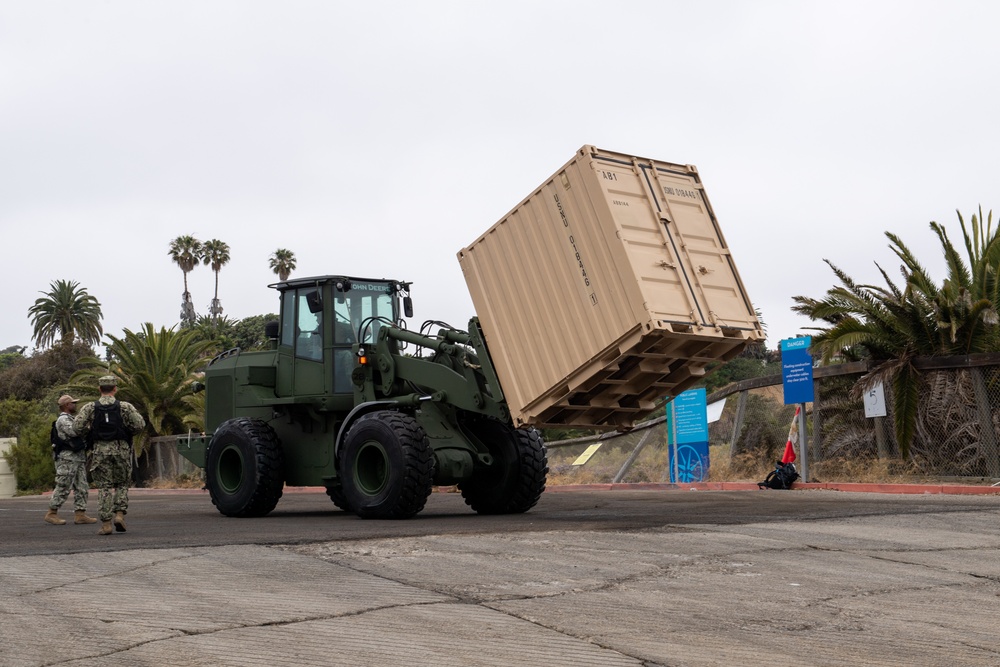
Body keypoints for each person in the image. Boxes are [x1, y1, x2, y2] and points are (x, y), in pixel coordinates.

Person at [73, 375, 145, 535]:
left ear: (99, 389)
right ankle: (119, 515)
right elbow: (140, 425)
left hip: (100, 450)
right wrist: (128, 433)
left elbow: (77, 427)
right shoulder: (125, 407)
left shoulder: (90, 407)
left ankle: (106, 524)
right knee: (122, 484)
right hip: (121, 449)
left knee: (104, 487)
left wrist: (90, 433)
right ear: (115, 389)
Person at [44, 395, 98, 526]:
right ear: (67, 405)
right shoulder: (63, 419)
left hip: (77, 457)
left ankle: (80, 514)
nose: (75, 405)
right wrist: (86, 425)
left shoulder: (71, 418)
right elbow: (74, 432)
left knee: (82, 486)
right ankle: (52, 513)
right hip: (67, 458)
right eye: (73, 403)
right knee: (63, 485)